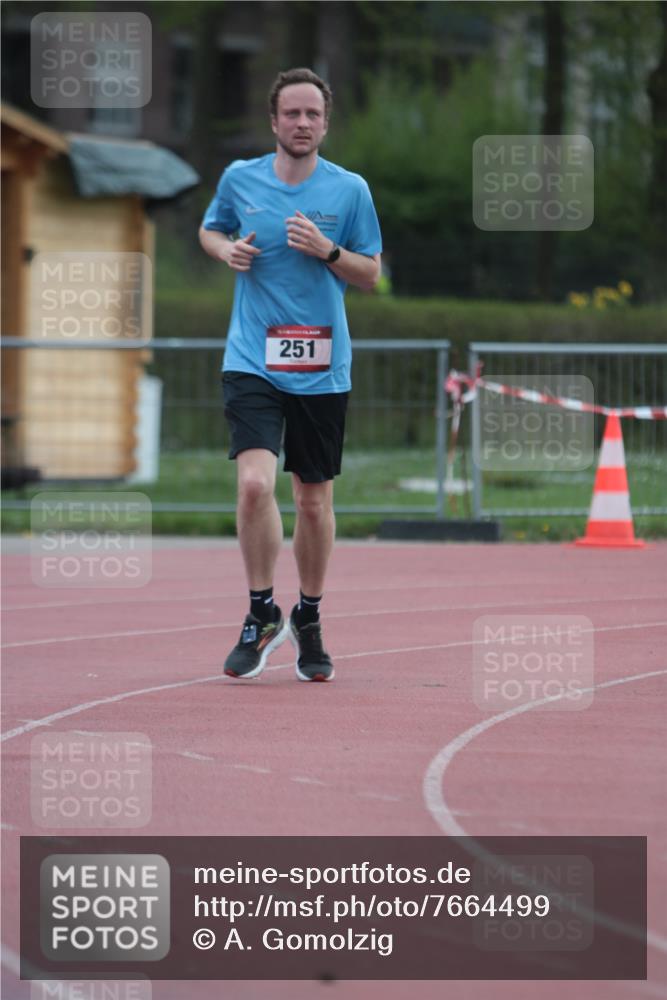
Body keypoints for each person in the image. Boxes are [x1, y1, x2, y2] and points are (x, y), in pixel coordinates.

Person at [199, 67, 382, 682]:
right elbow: (210, 228)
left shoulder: (350, 190)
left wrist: (328, 252)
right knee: (254, 485)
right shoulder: (239, 178)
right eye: (291, 114)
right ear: (273, 121)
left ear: (326, 124)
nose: (302, 123)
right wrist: (226, 250)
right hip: (253, 356)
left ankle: (308, 614)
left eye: (313, 115)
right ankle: (259, 612)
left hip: (322, 366)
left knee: (311, 500)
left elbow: (370, 274)